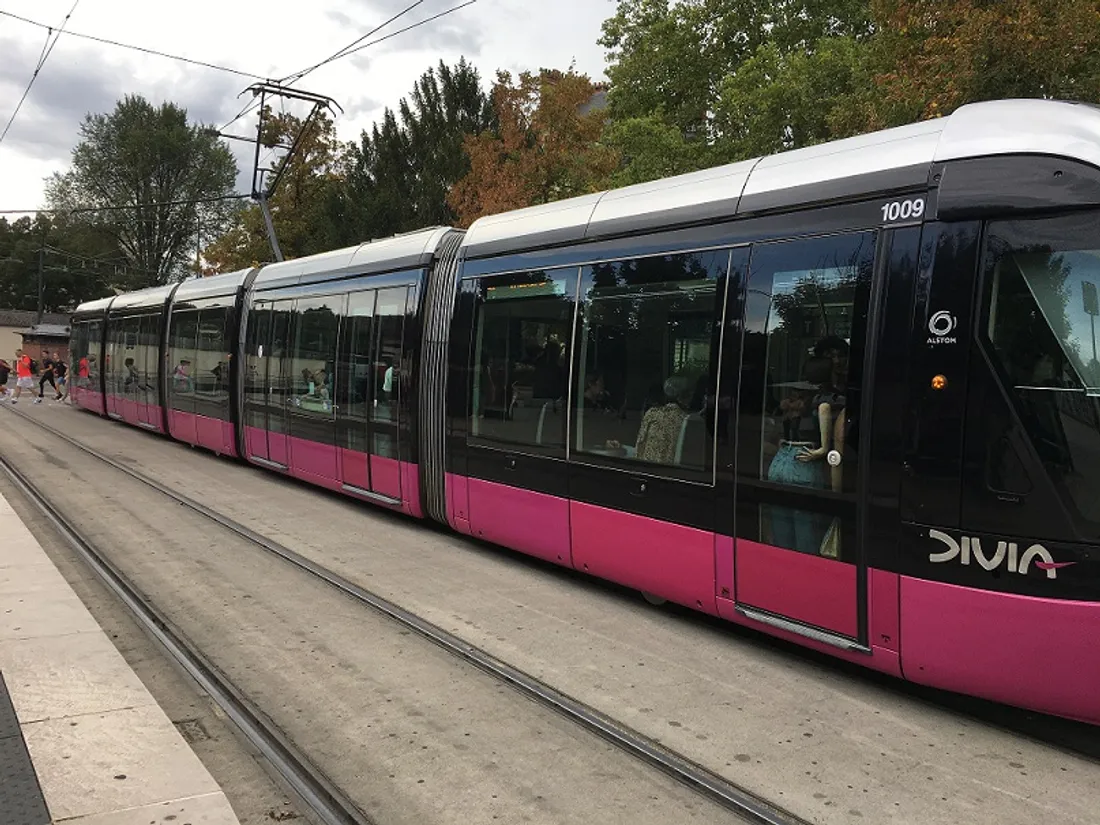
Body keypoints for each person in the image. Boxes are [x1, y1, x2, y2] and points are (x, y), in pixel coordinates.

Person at [635, 375, 693, 464]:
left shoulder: (651, 413)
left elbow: (640, 444)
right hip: (671, 472)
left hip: (647, 468)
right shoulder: (687, 420)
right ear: (685, 397)